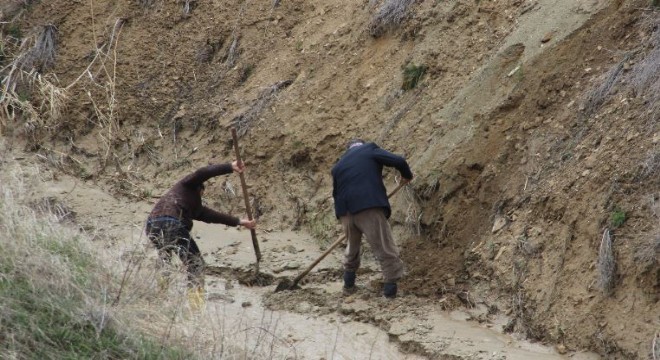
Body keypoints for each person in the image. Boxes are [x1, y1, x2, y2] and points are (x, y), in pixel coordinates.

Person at [145, 161, 256, 306]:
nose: (201, 198)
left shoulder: (189, 204)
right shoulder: (188, 184)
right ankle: (195, 306)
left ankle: (160, 299)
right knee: (195, 264)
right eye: (201, 194)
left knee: (165, 260)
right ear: (199, 189)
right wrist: (229, 167)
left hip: (152, 225)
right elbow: (203, 173)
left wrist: (240, 222)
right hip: (171, 222)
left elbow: (213, 216)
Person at [331, 139, 413, 299]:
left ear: (348, 149)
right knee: (384, 247)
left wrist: (347, 217)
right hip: (368, 206)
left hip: (345, 212)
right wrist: (407, 175)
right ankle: (390, 292)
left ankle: (348, 285)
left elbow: (336, 193)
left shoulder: (338, 166)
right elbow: (399, 160)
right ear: (361, 145)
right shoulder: (369, 149)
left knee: (352, 249)